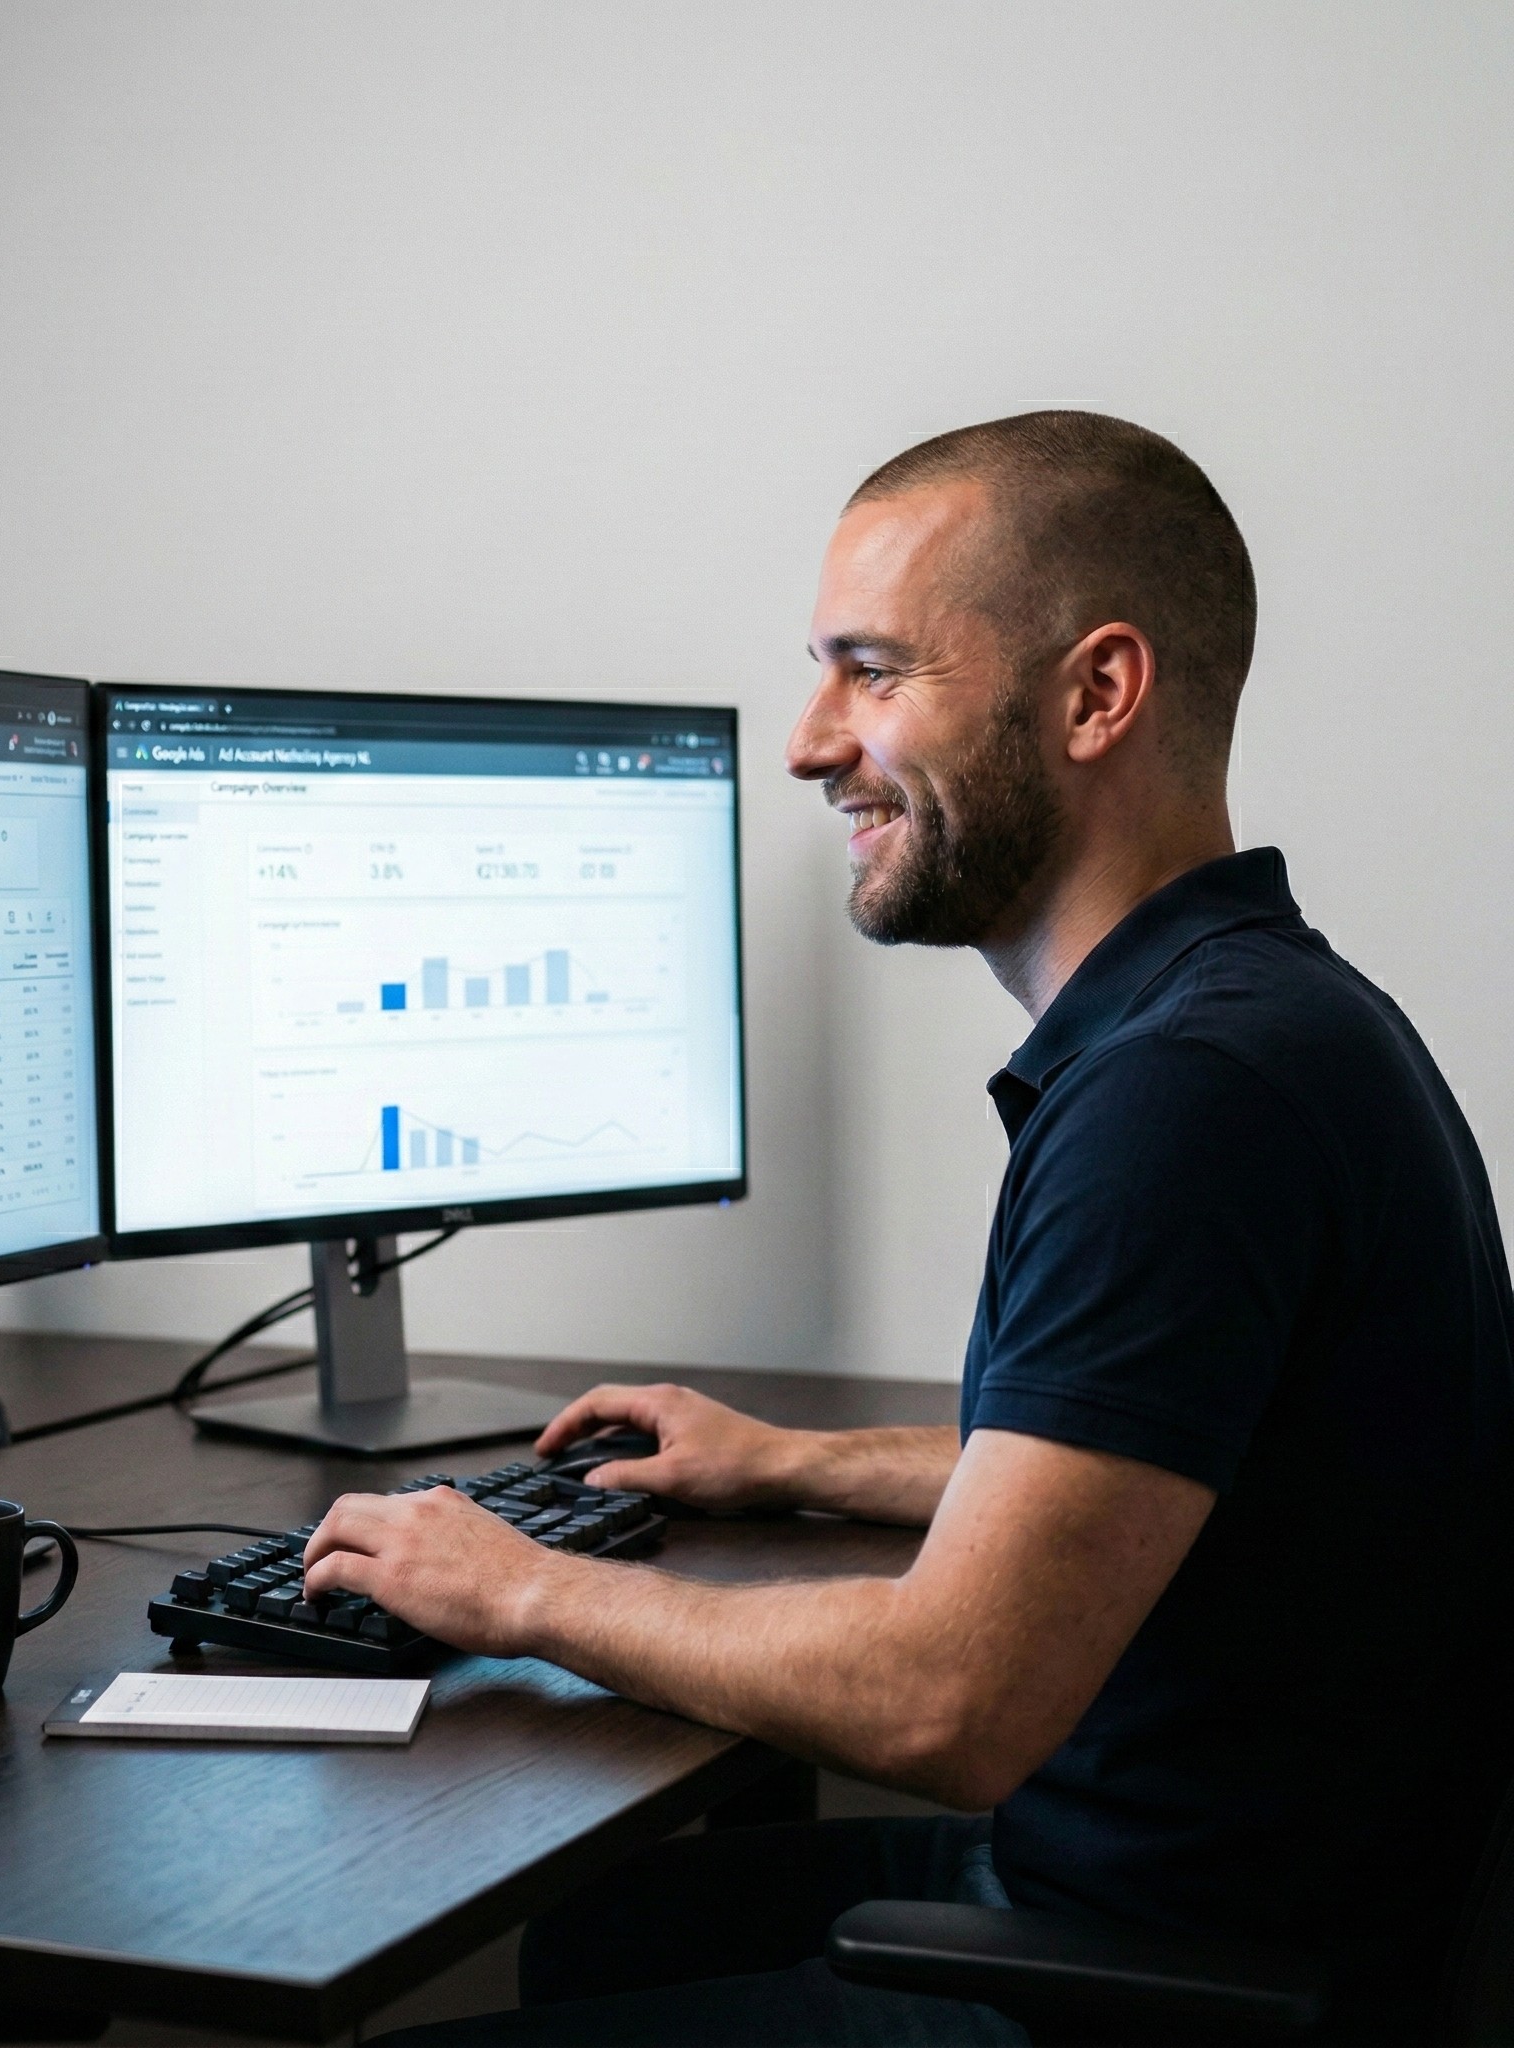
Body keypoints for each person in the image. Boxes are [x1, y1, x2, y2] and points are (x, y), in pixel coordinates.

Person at [317, 411, 1514, 2047]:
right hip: (1210, 1889)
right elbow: (1140, 1476)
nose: (812, 742)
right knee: (609, 1928)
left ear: (1098, 693)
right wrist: (794, 1463)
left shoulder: (1188, 1094)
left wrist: (516, 1587)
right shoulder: (1268, 1015)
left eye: (876, 673)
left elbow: (951, 1701)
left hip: (1161, 1986)